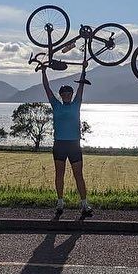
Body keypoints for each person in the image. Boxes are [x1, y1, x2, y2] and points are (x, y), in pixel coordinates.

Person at [42, 63, 91, 217]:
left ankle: (84, 205)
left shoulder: (77, 104)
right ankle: (60, 203)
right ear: (61, 95)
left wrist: (84, 69)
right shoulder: (56, 105)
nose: (66, 95)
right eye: (64, 94)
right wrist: (43, 71)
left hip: (74, 145)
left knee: (79, 175)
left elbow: (81, 87)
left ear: (71, 94)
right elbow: (47, 88)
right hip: (60, 145)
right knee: (59, 175)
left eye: (69, 93)